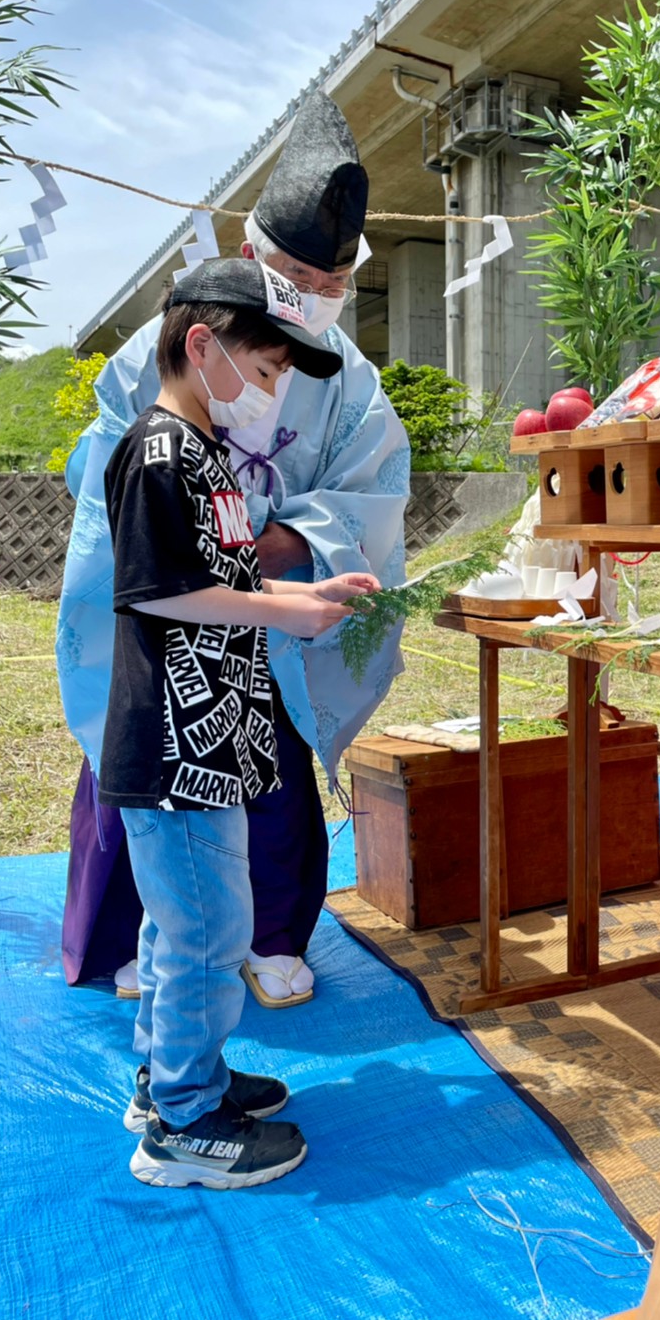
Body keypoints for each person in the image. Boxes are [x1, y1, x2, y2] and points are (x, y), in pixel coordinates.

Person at [57, 92, 410, 1006]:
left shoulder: (350, 380)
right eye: (296, 275)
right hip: (176, 605)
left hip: (279, 595)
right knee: (145, 771)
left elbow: (371, 487)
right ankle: (139, 949)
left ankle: (268, 935)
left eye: (332, 285)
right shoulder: (163, 348)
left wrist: (283, 542)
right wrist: (200, 538)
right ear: (249, 257)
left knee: (272, 760)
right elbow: (108, 473)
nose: (313, 301)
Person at [101, 256, 379, 1186]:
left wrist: (306, 588)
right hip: (174, 747)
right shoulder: (157, 453)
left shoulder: (209, 455)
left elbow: (220, 578)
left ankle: (174, 1078)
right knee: (207, 933)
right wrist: (282, 612)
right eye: (263, 373)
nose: (270, 395)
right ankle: (182, 1126)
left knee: (184, 924)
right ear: (199, 346)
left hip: (212, 737)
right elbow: (161, 591)